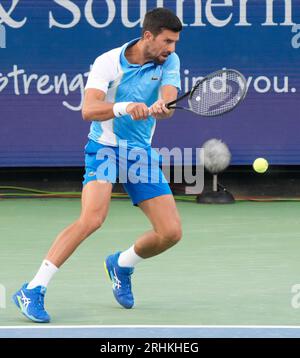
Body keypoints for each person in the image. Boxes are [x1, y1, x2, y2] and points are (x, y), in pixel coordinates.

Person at [12, 7, 183, 323]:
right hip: (104, 148)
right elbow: (88, 110)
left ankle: (122, 263)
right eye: (167, 41)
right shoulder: (108, 62)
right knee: (92, 219)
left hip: (140, 153)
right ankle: (33, 289)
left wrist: (162, 107)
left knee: (171, 232)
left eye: (174, 42)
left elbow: (169, 102)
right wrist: (125, 107)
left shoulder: (168, 61)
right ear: (148, 36)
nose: (171, 49)